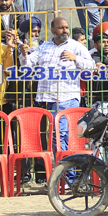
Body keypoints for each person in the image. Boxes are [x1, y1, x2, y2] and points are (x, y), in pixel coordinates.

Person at [17, 17, 94, 158]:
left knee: (61, 135)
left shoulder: (76, 47)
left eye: (66, 27)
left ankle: (65, 168)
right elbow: (27, 64)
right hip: (47, 99)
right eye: (61, 28)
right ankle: (64, 167)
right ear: (53, 30)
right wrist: (23, 54)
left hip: (67, 98)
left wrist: (75, 58)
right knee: (56, 135)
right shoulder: (44, 47)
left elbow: (92, 66)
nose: (65, 30)